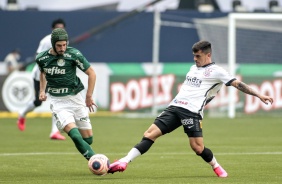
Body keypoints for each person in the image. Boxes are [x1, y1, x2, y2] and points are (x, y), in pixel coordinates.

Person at [107, 40, 274, 177]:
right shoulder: (193, 68)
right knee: (149, 134)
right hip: (174, 107)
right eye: (194, 56)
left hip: (192, 112)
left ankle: (215, 165)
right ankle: (124, 161)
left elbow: (238, 84)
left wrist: (259, 95)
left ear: (208, 55)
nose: (195, 59)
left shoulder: (217, 72)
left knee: (197, 148)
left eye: (198, 56)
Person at [36, 28, 97, 160]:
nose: (62, 48)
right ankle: (96, 160)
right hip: (58, 102)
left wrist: (89, 96)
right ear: (53, 44)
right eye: (59, 45)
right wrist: (42, 90)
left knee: (88, 140)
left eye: (64, 45)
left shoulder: (74, 54)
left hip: (76, 98)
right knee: (75, 135)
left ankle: (91, 156)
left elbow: (91, 73)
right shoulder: (42, 58)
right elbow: (43, 73)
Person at [17, 18, 66, 140]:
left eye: (61, 28)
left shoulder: (65, 41)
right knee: (38, 102)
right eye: (57, 28)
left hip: (54, 75)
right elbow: (38, 58)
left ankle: (54, 132)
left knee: (57, 101)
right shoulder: (46, 41)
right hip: (40, 75)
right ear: (52, 29)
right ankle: (22, 114)